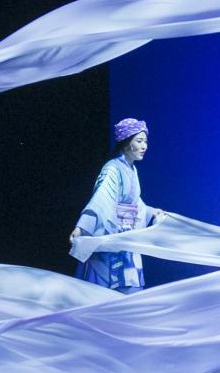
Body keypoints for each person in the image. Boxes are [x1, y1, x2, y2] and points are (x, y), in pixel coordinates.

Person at [69, 118, 163, 293]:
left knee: (129, 283)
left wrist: (150, 212)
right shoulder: (112, 168)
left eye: (145, 141)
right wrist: (82, 227)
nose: (144, 146)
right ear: (126, 143)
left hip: (127, 238)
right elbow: (101, 200)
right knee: (104, 287)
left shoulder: (132, 170)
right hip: (113, 235)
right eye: (139, 141)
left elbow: (135, 203)